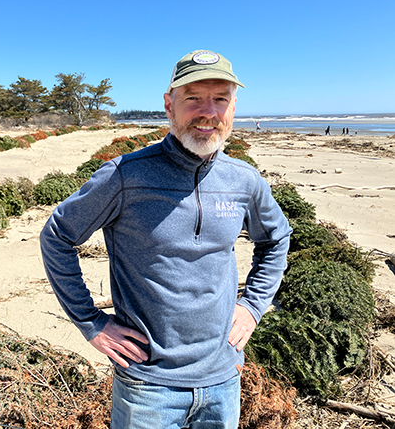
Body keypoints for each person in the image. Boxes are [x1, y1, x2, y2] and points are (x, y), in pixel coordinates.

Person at [40, 49, 292, 428]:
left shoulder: (244, 180)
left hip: (223, 379)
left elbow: (276, 239)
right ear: (169, 105)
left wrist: (253, 305)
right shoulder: (125, 176)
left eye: (220, 98)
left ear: (234, 107)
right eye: (193, 98)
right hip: (148, 386)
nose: (208, 111)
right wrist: (91, 322)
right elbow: (57, 236)